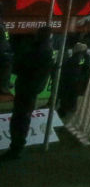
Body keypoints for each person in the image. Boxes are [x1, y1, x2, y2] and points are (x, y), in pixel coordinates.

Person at [4, 30, 53, 159]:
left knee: (20, 119)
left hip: (27, 88)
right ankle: (17, 147)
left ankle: (16, 149)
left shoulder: (37, 51)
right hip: (31, 89)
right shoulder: (46, 50)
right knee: (22, 117)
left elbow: (19, 67)